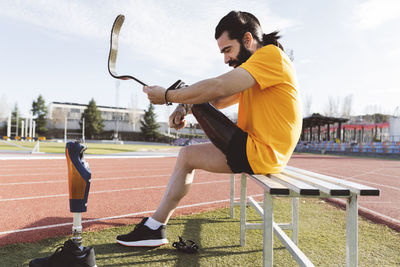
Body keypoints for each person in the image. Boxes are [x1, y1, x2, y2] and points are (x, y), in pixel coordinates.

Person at [116, 10, 302, 247]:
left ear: (247, 40)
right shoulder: (257, 67)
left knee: (191, 93)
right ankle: (155, 227)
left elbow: (217, 87)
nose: (225, 59)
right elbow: (219, 101)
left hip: (262, 153)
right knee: (186, 156)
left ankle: (154, 227)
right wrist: (185, 107)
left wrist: (168, 95)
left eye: (227, 50)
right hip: (257, 151)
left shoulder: (270, 56)